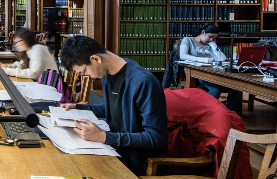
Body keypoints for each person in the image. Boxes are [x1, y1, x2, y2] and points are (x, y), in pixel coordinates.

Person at [58, 36, 168, 176]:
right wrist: (76, 107)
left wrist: (103, 137)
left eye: (84, 72)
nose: (86, 76)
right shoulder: (107, 74)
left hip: (137, 163)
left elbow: (156, 137)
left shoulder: (143, 82)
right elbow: (109, 108)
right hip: (114, 149)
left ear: (96, 59)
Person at [179, 24, 242, 114]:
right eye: (210, 36)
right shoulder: (188, 40)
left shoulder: (210, 44)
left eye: (214, 38)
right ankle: (203, 112)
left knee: (236, 88)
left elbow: (222, 59)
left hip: (213, 72)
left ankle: (231, 115)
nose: (211, 39)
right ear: (203, 32)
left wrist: (214, 46)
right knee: (215, 89)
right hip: (196, 72)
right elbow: (183, 55)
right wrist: (206, 60)